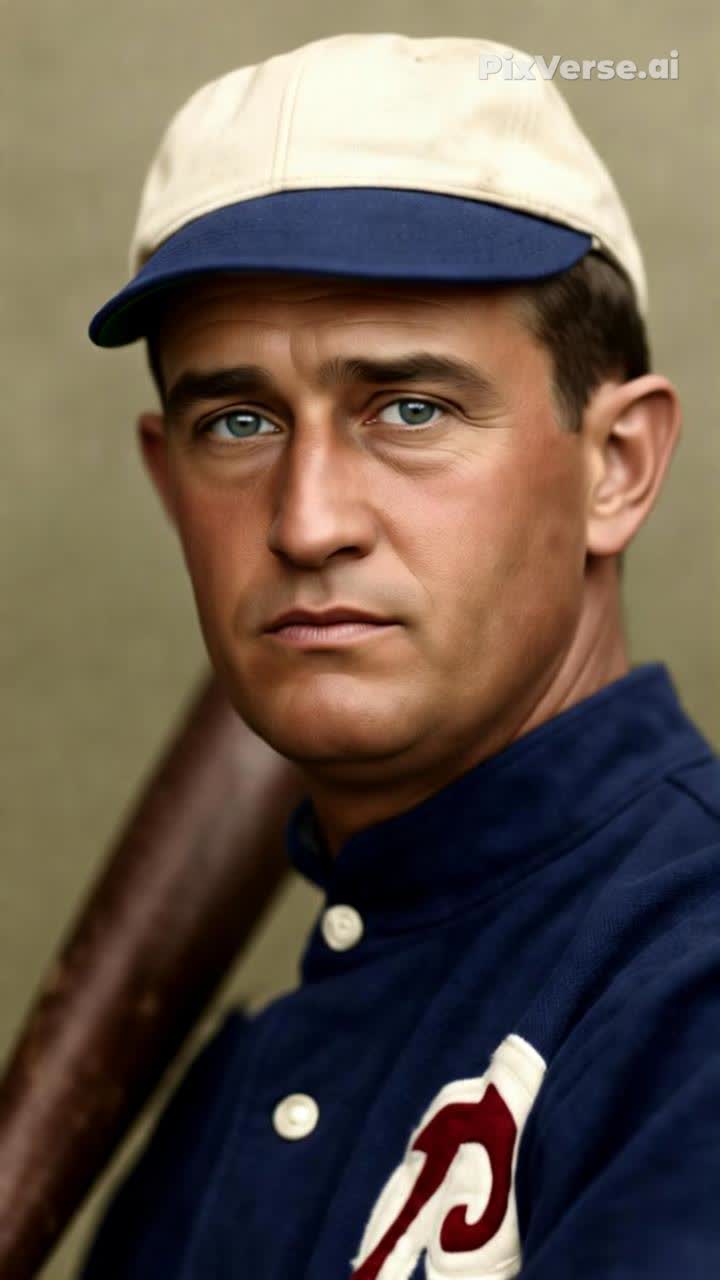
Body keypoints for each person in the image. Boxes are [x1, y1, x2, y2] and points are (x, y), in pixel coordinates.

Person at [77, 31, 720, 1280]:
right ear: (168, 482)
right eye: (239, 421)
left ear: (617, 464)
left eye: (411, 408)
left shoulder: (689, 977)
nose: (308, 519)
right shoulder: (211, 1116)